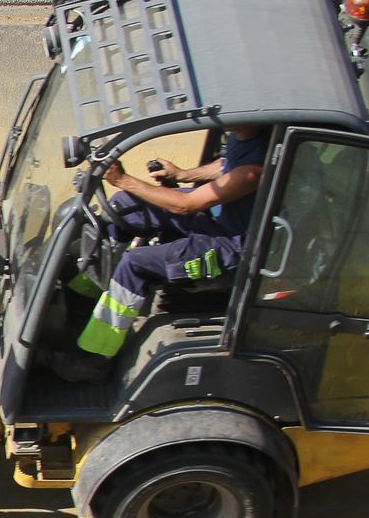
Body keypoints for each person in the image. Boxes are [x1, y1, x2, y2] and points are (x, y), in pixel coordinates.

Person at [61, 125, 270, 374]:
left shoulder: (255, 168)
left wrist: (123, 180)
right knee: (125, 207)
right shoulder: (245, 133)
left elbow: (185, 205)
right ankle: (84, 299)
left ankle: (94, 359)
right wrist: (183, 174)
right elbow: (226, 164)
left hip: (231, 245)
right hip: (214, 217)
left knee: (136, 264)